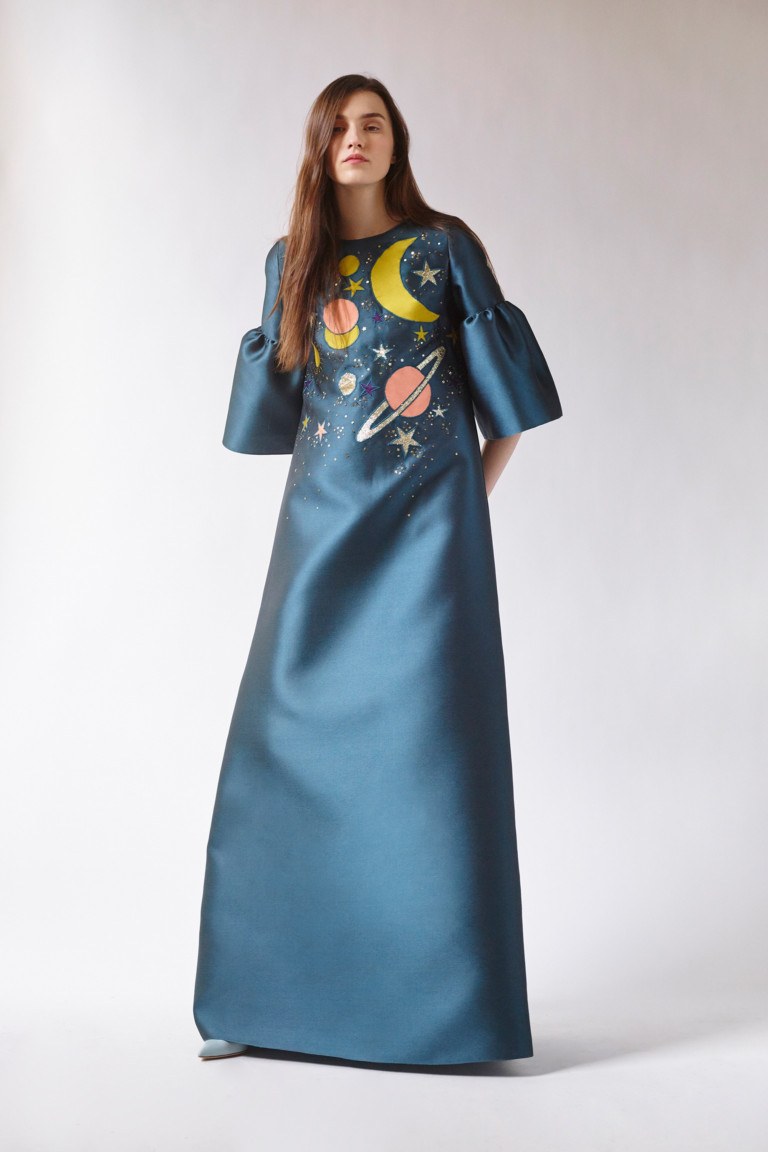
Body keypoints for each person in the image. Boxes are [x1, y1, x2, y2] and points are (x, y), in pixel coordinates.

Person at [193, 73, 562, 1065]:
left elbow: (508, 408)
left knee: (429, 761)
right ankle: (256, 1007)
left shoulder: (442, 251)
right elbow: (279, 417)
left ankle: (449, 1023)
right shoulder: (293, 262)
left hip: (427, 543)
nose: (355, 139)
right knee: (277, 753)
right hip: (316, 539)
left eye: (373, 124)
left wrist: (460, 506)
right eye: (338, 127)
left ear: (398, 142)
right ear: (318, 147)